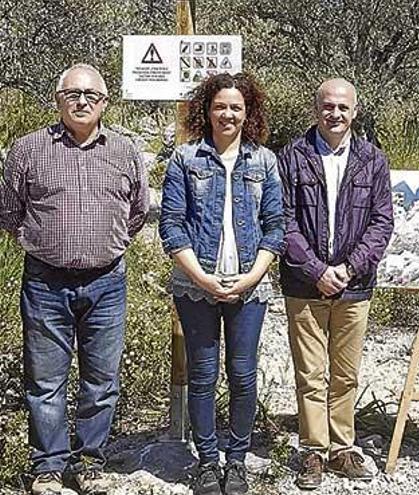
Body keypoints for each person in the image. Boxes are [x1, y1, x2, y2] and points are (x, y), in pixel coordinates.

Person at [0, 63, 148, 495]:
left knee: (101, 380)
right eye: (73, 95)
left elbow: (137, 212)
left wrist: (107, 243)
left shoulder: (124, 151)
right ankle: (47, 466)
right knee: (45, 381)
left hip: (107, 283)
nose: (82, 102)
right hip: (46, 282)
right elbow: (9, 212)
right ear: (58, 100)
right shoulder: (27, 150)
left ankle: (89, 462)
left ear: (105, 103)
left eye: (91, 96)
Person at [159, 72, 284, 495]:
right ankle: (208, 461)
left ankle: (237, 460)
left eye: (236, 107)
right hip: (196, 285)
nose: (227, 114)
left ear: (248, 112)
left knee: (243, 374)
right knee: (204, 374)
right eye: (220, 106)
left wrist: (250, 277)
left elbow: (275, 227)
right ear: (206, 110)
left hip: (250, 285)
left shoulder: (264, 161)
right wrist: (204, 279)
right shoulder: (185, 158)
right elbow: (172, 227)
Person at [277, 78, 393, 490]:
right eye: (328, 106)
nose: (336, 114)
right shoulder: (292, 156)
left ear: (355, 111)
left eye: (343, 107)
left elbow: (382, 222)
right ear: (316, 109)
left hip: (354, 285)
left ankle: (343, 447)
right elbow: (283, 220)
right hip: (304, 285)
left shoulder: (372, 159)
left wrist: (349, 267)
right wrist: (316, 270)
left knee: (345, 374)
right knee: (311, 373)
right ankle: (313, 450)